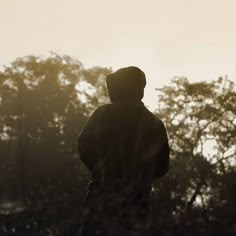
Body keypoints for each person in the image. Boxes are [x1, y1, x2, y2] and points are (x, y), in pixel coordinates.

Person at [78, 66, 169, 236]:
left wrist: (102, 169)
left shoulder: (102, 114)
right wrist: (139, 177)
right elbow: (162, 166)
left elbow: (84, 146)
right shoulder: (154, 123)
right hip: (137, 202)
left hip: (102, 197)